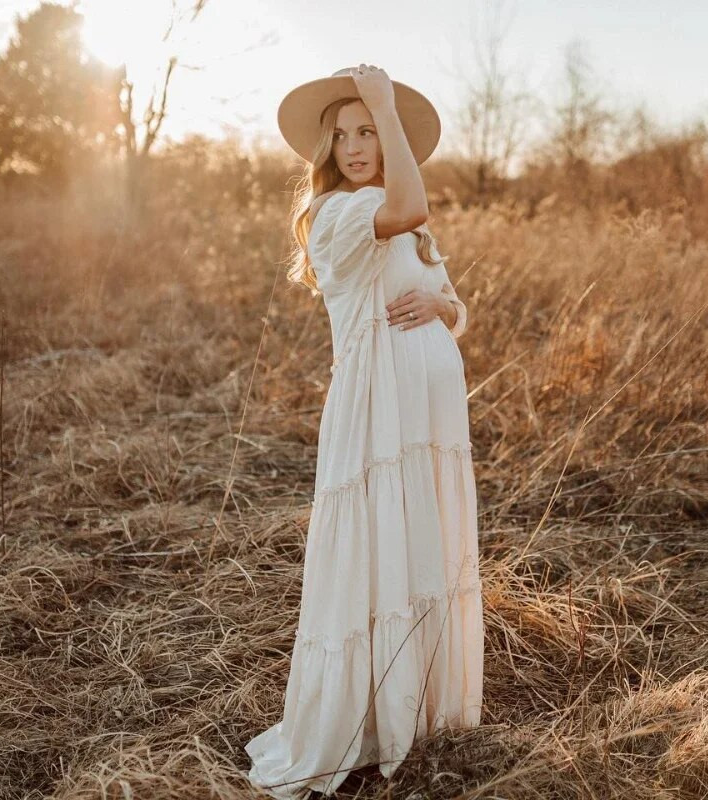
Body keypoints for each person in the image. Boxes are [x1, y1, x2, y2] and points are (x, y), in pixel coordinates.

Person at [244, 63, 484, 799]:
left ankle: (421, 705)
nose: (354, 145)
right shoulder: (339, 215)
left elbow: (452, 303)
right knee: (377, 544)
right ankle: (367, 717)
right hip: (376, 408)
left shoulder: (402, 211)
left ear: (391, 141)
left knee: (420, 543)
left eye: (369, 131)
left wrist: (447, 315)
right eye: (342, 134)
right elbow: (410, 206)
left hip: (431, 417)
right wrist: (381, 97)